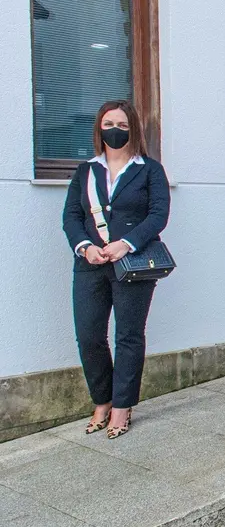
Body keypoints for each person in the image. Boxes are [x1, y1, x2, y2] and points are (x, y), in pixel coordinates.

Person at [62, 100, 171, 439]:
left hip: (132, 265)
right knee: (90, 336)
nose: (115, 130)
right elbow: (71, 217)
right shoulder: (86, 171)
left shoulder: (149, 169)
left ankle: (122, 407)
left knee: (127, 336)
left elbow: (158, 215)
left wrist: (127, 243)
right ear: (99, 128)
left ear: (133, 129)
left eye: (123, 125)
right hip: (90, 264)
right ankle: (102, 400)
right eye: (109, 123)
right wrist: (86, 246)